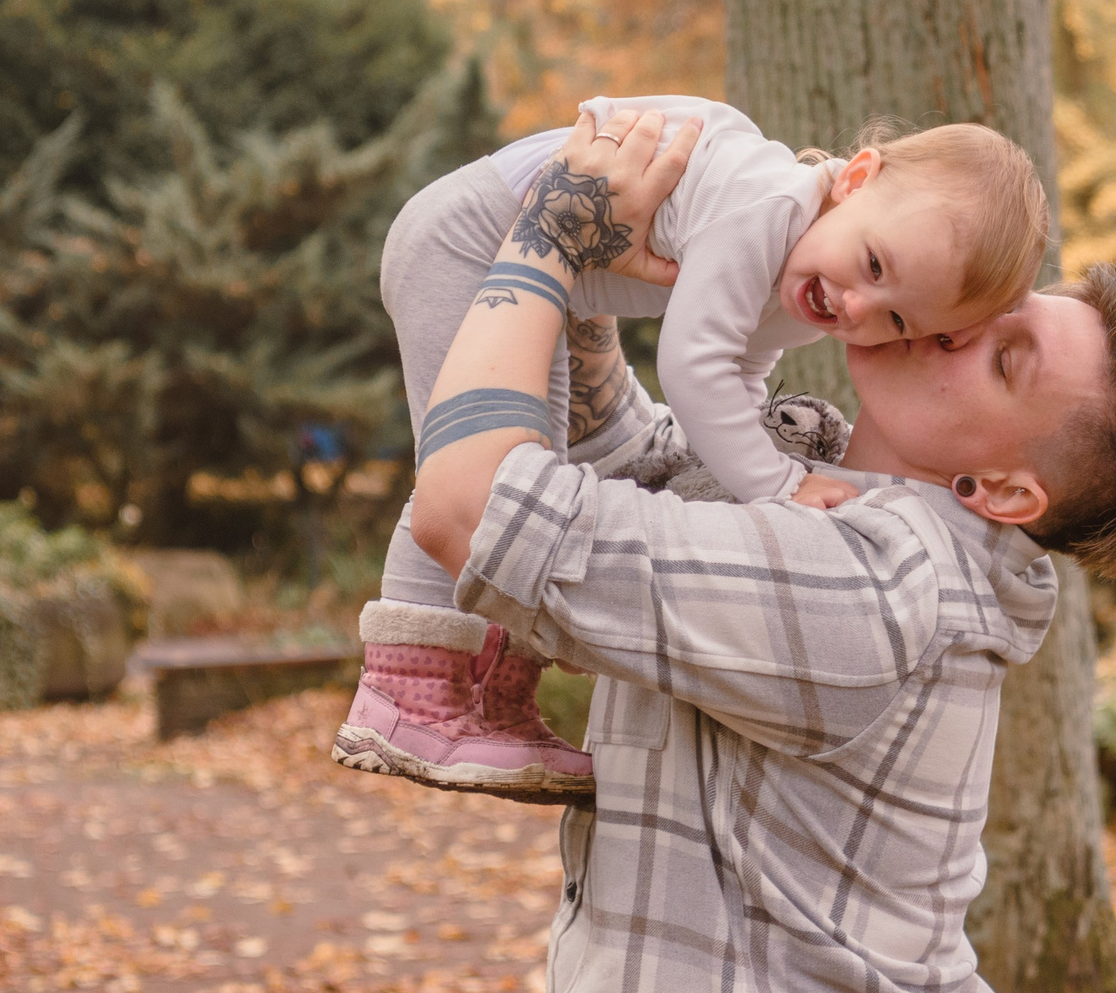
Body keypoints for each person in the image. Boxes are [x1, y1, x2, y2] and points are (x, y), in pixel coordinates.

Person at [396, 108, 1116, 993]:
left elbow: (470, 510)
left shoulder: (876, 587)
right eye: (1003, 308)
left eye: (1005, 358)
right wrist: (647, 258)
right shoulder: (815, 487)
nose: (955, 324)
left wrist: (547, 241)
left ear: (1010, 491)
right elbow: (618, 455)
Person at [335, 95, 1050, 805]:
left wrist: (750, 474)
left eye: (895, 317)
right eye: (872, 262)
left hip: (534, 265)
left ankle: (490, 697)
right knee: (494, 473)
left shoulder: (808, 289)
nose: (858, 305)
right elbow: (692, 364)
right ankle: (406, 692)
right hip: (466, 243)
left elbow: (737, 374)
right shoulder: (768, 210)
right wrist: (775, 484)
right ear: (856, 178)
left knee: (535, 459)